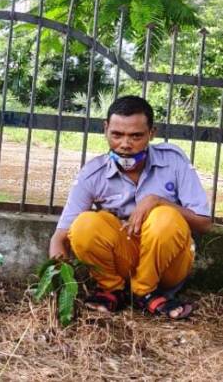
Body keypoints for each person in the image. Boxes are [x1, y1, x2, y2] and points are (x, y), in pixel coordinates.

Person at [48, 96, 212, 319]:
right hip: (123, 261)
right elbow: (61, 235)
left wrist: (157, 201)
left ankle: (145, 291)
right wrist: (60, 279)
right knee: (85, 224)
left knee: (165, 216)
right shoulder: (93, 173)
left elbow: (204, 223)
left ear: (152, 133)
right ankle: (112, 289)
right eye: (117, 135)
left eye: (136, 136)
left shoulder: (174, 161)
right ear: (106, 129)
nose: (125, 144)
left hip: (168, 266)